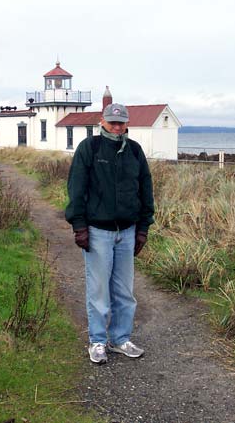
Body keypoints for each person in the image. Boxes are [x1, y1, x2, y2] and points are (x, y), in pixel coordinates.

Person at [65, 103, 155, 364]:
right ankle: (97, 341)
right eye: (112, 122)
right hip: (98, 232)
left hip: (127, 232)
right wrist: (79, 226)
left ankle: (120, 339)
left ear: (127, 124)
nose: (116, 126)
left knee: (125, 291)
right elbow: (76, 187)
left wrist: (143, 229)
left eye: (121, 122)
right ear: (102, 121)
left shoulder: (135, 151)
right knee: (99, 291)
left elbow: (145, 189)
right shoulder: (89, 148)